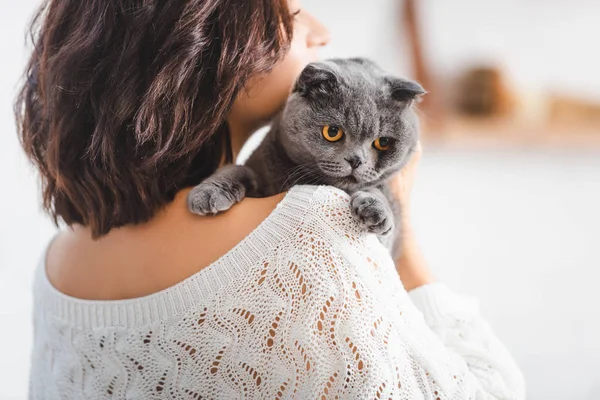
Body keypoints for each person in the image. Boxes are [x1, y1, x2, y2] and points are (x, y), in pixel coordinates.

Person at [17, 0, 525, 398]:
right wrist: (402, 221)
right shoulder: (309, 233)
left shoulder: (58, 262)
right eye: (290, 13)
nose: (321, 32)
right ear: (205, 44)